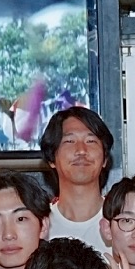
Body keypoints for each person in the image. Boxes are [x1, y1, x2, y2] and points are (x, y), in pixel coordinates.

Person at [39, 106, 115, 248]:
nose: (81, 150)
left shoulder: (125, 225)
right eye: (69, 141)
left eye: (91, 141)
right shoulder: (37, 227)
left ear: (105, 159)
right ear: (51, 159)